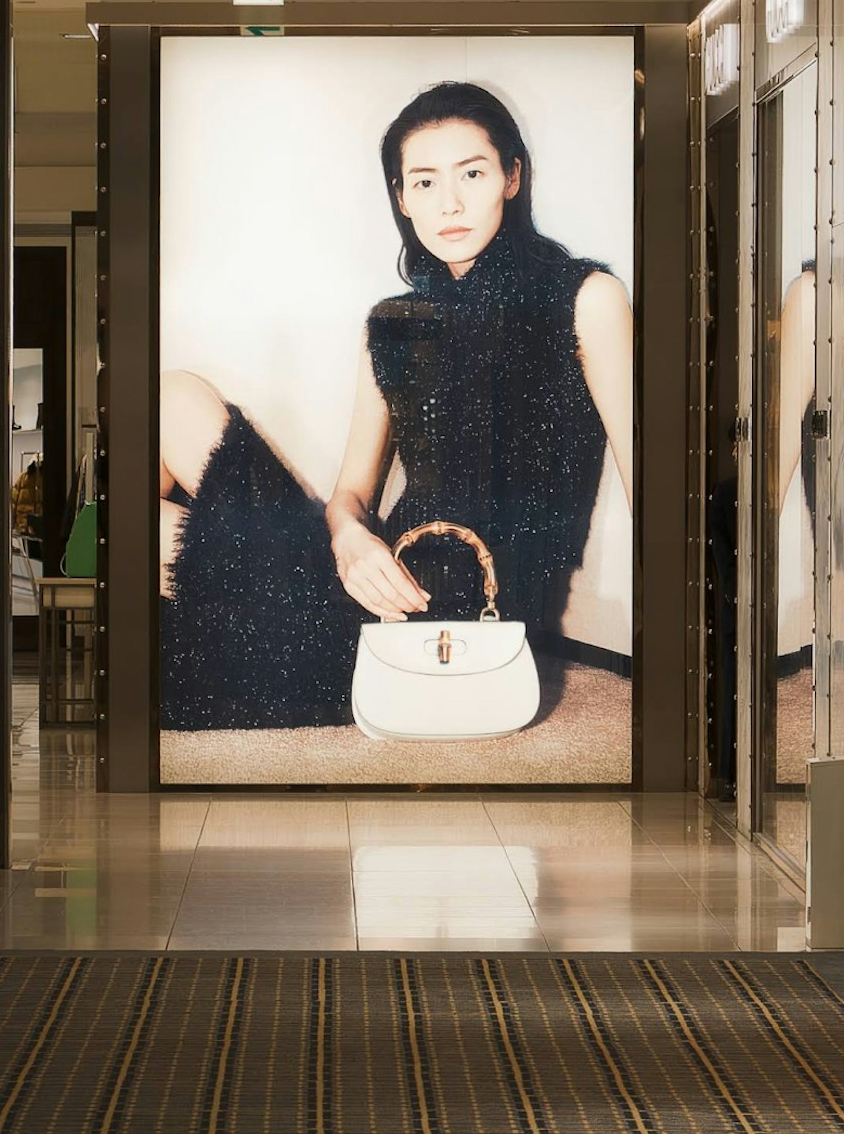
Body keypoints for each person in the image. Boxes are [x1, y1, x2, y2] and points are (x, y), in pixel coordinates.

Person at [158, 79, 635, 729]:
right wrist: (351, 537)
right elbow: (350, 494)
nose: (451, 202)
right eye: (425, 181)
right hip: (369, 580)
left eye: (472, 172)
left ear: (512, 176)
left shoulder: (586, 298)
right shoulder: (392, 323)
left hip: (454, 618)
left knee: (143, 538)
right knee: (168, 398)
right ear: (402, 197)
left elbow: (652, 490)